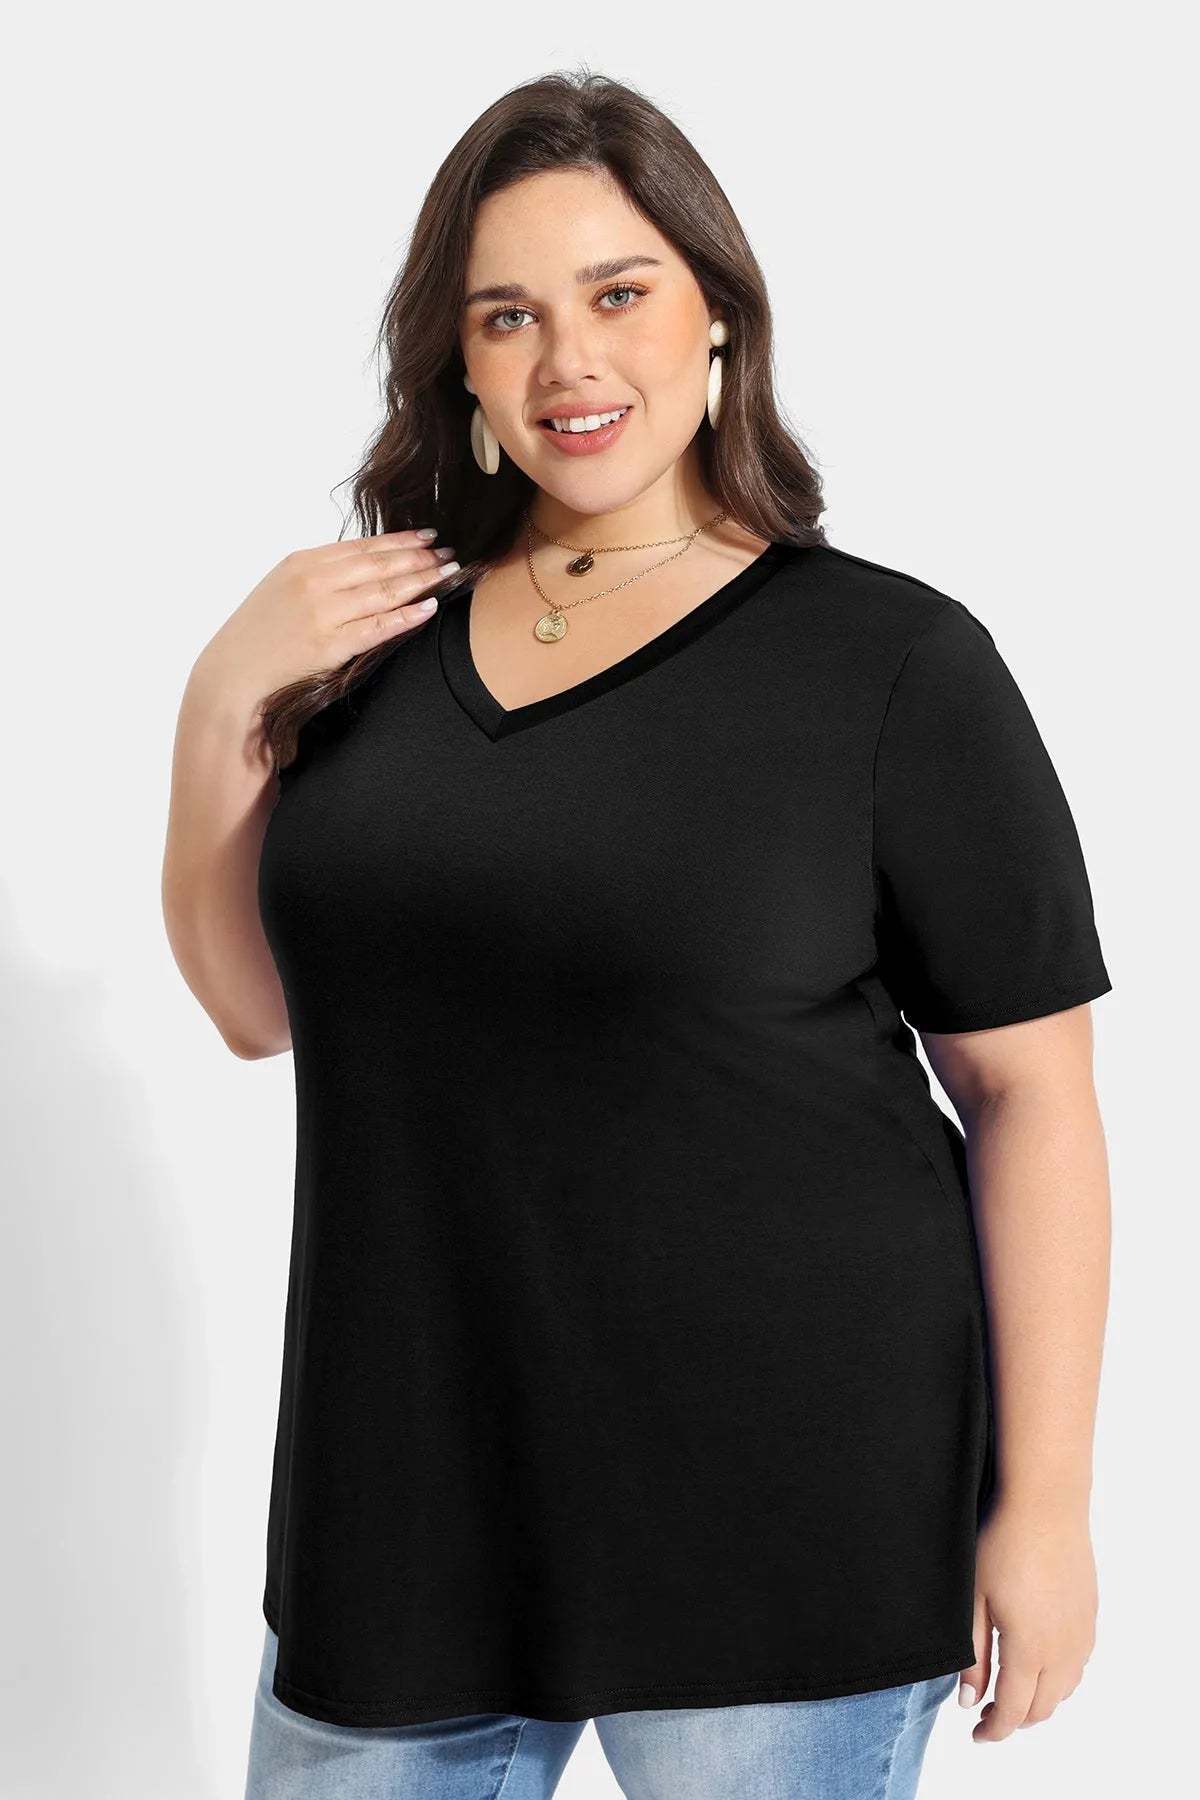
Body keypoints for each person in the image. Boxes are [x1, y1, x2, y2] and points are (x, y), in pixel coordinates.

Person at [162, 69, 1114, 1800]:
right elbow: (255, 1010)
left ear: (716, 316)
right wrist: (221, 703)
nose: (568, 362)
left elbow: (1032, 1094)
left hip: (786, 1517)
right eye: (508, 315)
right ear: (458, 363)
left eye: (619, 294)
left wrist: (1044, 1508)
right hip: (406, 1511)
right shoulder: (366, 648)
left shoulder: (891, 665)